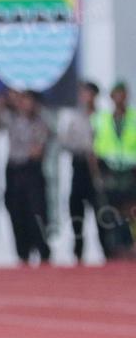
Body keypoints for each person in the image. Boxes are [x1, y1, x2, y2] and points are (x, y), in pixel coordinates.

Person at [3, 90, 53, 265]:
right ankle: (22, 253)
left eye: (29, 100)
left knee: (37, 213)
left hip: (32, 172)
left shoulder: (41, 122)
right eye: (23, 100)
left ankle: (43, 250)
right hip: (14, 172)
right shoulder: (11, 119)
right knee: (16, 212)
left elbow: (37, 152)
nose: (25, 104)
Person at [61, 81, 108, 262]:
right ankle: (78, 249)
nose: (85, 96)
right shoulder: (73, 117)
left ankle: (106, 250)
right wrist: (86, 148)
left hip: (98, 168)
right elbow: (65, 141)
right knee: (76, 209)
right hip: (79, 165)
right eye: (83, 93)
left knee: (101, 210)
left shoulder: (103, 117)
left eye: (89, 93)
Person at [93, 82, 136, 257]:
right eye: (116, 94)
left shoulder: (133, 117)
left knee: (132, 210)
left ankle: (132, 245)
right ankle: (116, 248)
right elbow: (95, 149)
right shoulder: (102, 119)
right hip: (109, 170)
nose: (119, 98)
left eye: (122, 94)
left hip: (131, 171)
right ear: (111, 97)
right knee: (112, 211)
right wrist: (98, 175)